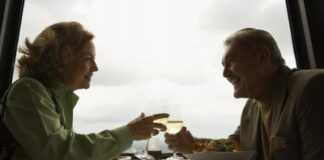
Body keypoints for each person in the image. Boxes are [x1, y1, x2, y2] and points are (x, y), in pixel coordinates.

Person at [0, 21, 169, 160]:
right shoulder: (28, 90)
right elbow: (61, 153)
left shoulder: (54, 98)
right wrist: (128, 133)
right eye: (88, 59)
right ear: (60, 59)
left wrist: (128, 133)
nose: (95, 68)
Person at [164, 28, 324, 160]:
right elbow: (234, 146)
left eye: (231, 61)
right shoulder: (252, 106)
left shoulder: (312, 87)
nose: (225, 73)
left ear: (263, 56)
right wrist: (193, 146)